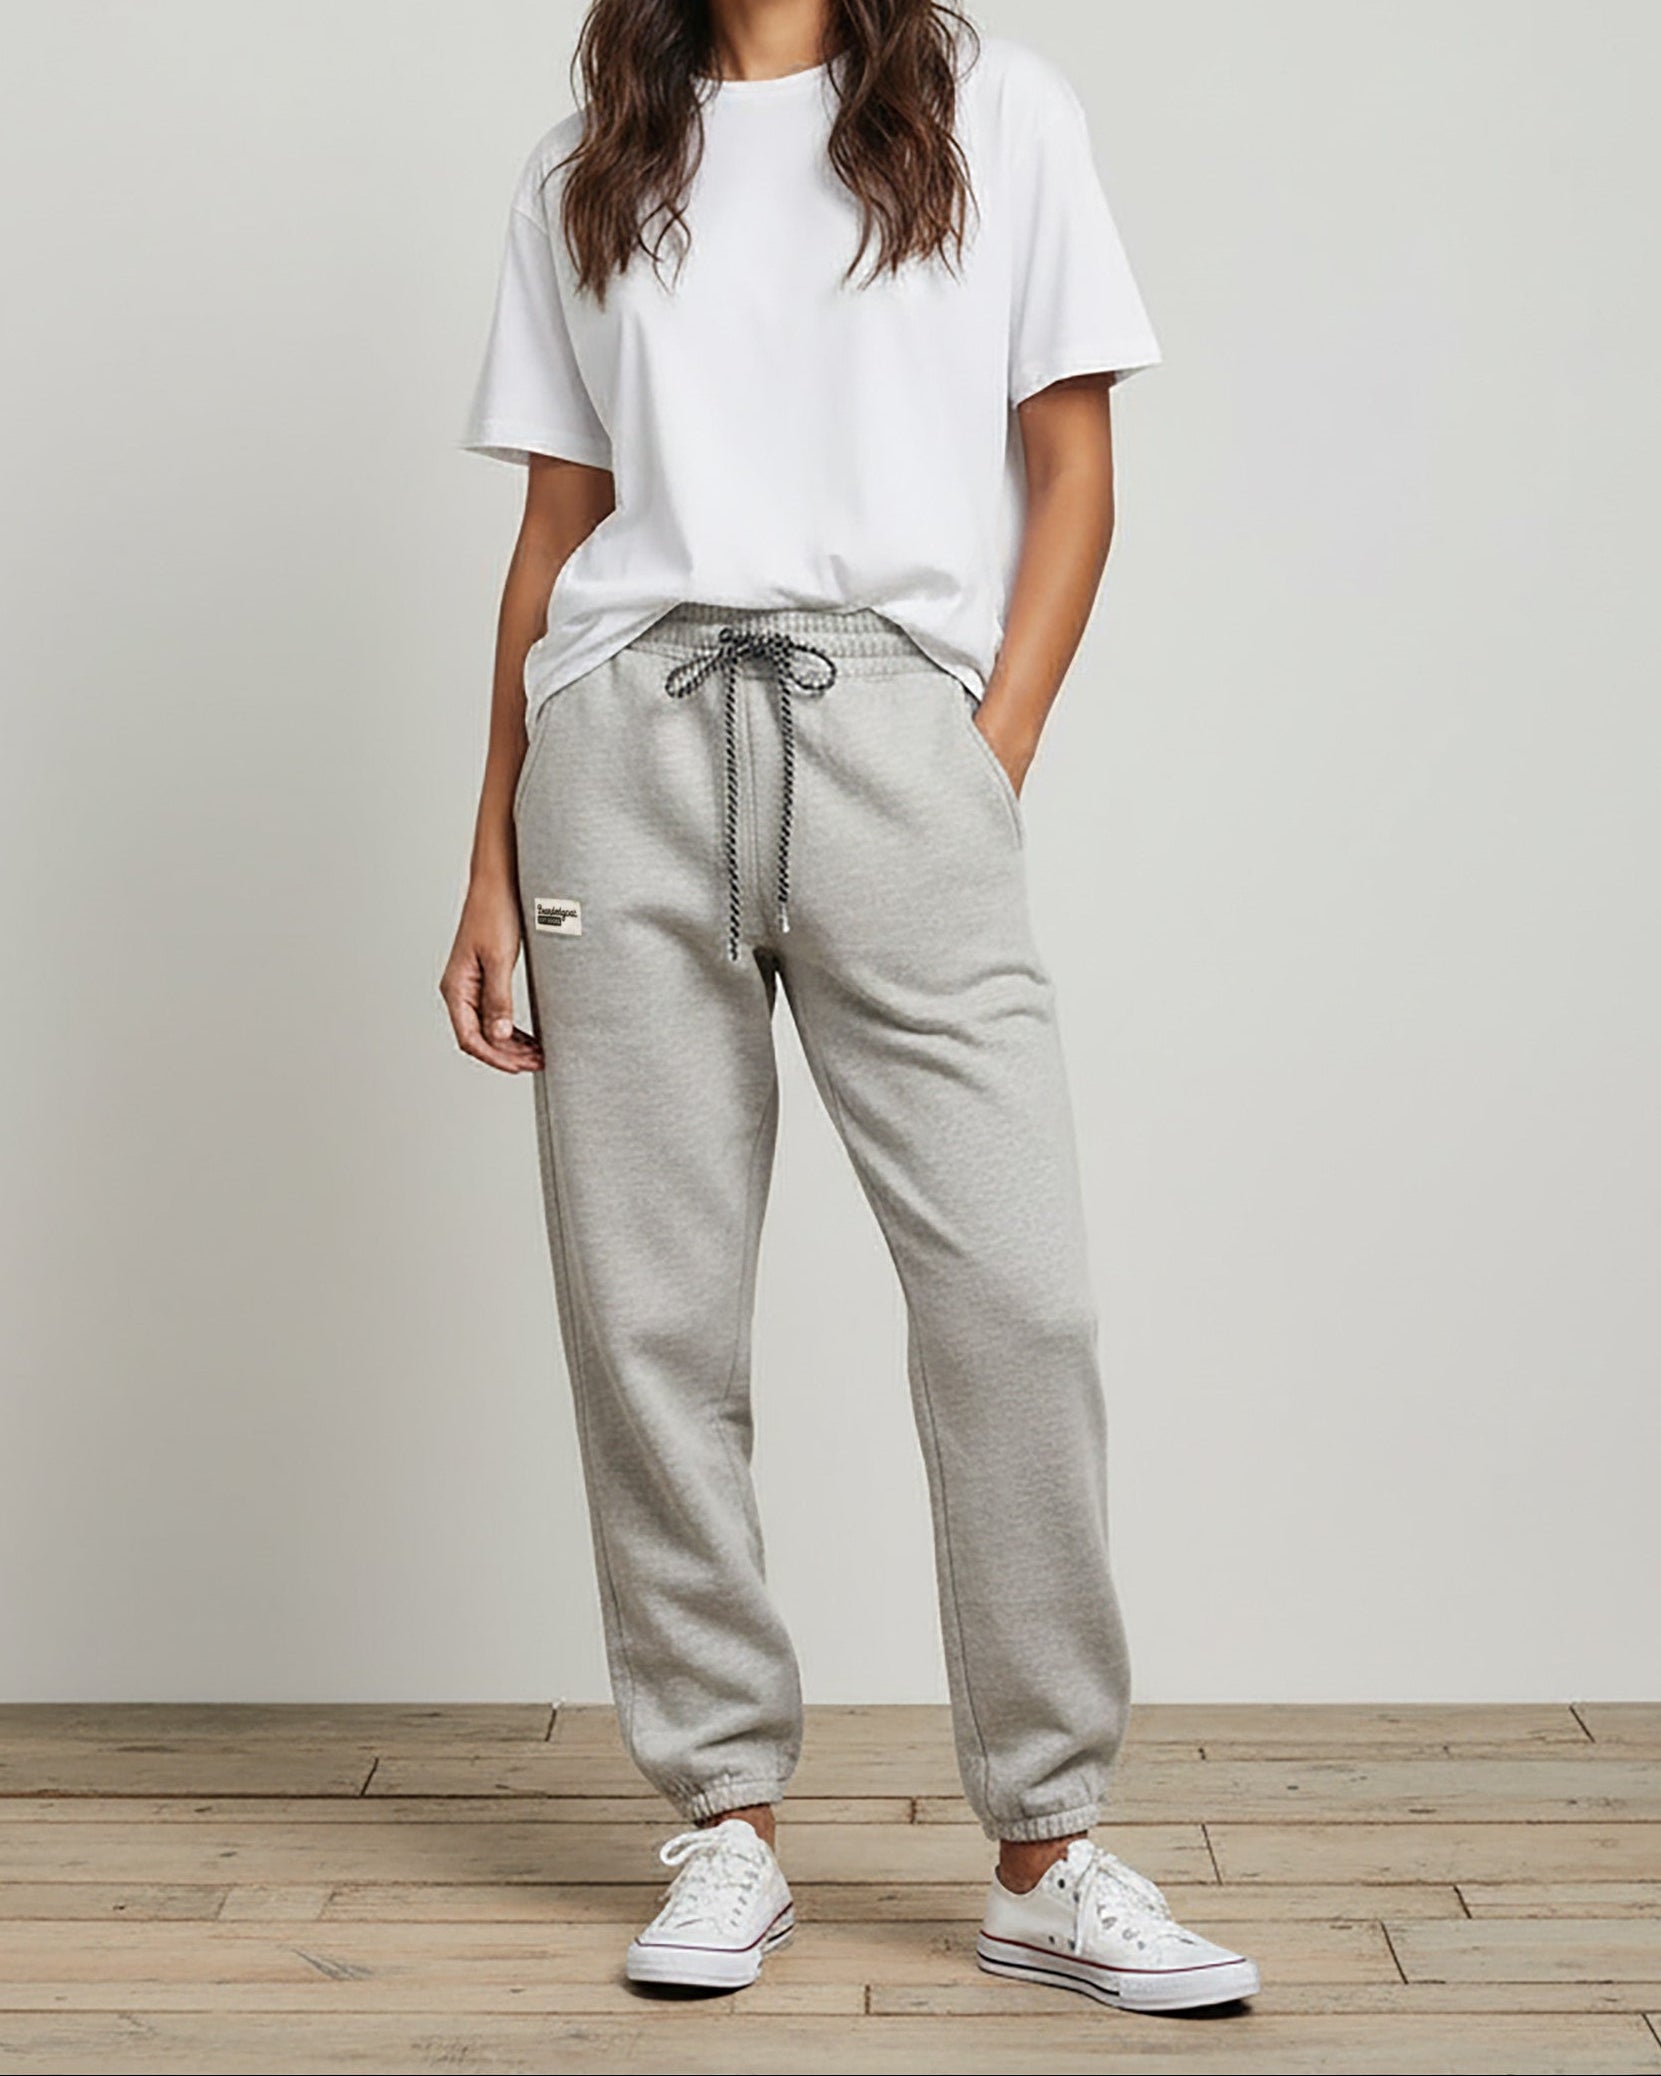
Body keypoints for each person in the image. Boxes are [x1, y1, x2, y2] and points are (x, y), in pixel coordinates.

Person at [443, 0, 1260, 2017]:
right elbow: (554, 535)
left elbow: (1073, 477)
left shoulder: (1001, 114)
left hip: (895, 741)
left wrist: (982, 764)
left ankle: (1050, 1846)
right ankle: (725, 1817)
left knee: (1018, 1294)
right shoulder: (592, 164)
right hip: (619, 753)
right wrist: (484, 863)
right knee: (651, 1317)